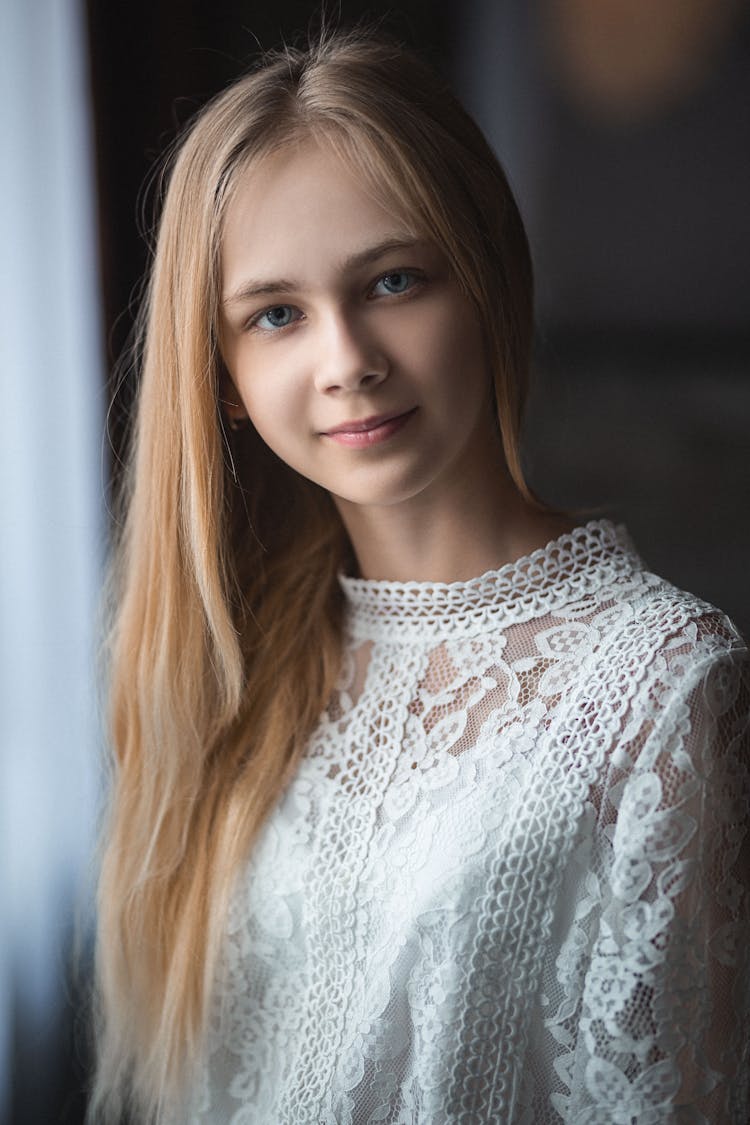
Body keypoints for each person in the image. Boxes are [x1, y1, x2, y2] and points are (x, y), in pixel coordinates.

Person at [91, 29, 750, 1125]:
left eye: (392, 280)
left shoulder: (664, 683)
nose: (347, 359)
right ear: (228, 381)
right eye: (277, 314)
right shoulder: (234, 663)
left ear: (486, 277)